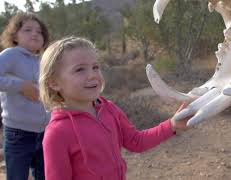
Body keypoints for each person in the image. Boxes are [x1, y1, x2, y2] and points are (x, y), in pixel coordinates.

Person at [39, 36, 190, 180]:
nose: (92, 75)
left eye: (95, 67)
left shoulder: (109, 109)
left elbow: (136, 141)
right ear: (54, 83)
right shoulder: (57, 134)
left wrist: (172, 125)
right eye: (80, 69)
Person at [0, 12, 50, 180]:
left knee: (45, 176)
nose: (35, 33)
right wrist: (21, 86)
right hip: (18, 134)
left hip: (45, 132)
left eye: (39, 31)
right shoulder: (10, 55)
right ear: (15, 36)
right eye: (27, 29)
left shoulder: (42, 61)